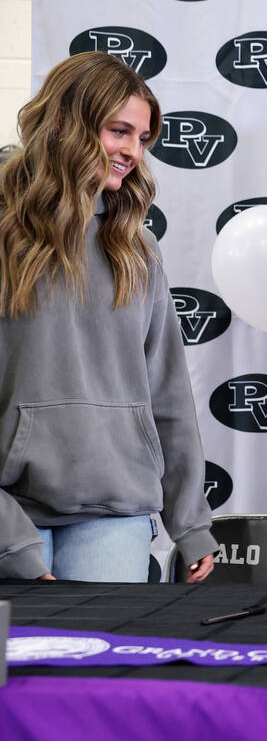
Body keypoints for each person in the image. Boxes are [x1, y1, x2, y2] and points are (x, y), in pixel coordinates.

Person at [0, 52, 216, 582]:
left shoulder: (136, 247)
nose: (132, 152)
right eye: (119, 131)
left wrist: (189, 524)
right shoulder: (6, 235)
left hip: (114, 507)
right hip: (10, 508)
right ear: (67, 122)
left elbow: (167, 393)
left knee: (96, 661)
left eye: (143, 139)